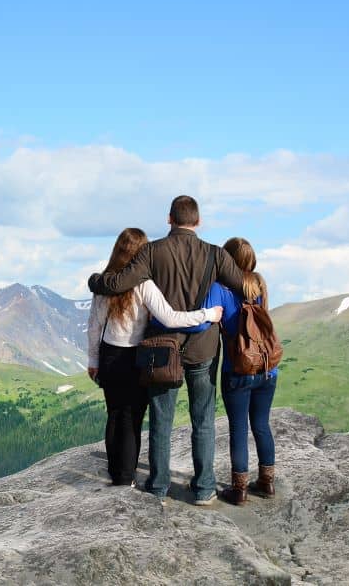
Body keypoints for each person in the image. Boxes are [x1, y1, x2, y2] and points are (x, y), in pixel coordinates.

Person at [88, 196, 243, 505]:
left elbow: (121, 282)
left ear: (169, 219)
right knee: (203, 420)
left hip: (162, 349)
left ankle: (158, 485)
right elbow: (242, 285)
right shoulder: (216, 255)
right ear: (198, 222)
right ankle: (204, 488)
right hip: (203, 347)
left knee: (161, 419)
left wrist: (95, 281)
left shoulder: (151, 251)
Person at [210, 238, 277, 504]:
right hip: (266, 368)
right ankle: (267, 483)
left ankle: (239, 490)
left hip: (236, 369)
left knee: (238, 428)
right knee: (261, 424)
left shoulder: (220, 289)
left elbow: (209, 320)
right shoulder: (259, 284)